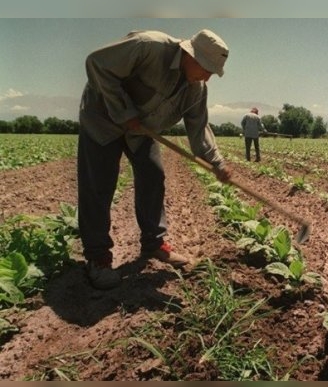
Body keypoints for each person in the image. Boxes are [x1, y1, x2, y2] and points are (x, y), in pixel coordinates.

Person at [78, 29, 232, 290]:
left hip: (141, 131)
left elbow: (198, 128)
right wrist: (124, 110)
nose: (207, 76)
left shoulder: (196, 88)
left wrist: (217, 163)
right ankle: (98, 257)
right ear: (189, 55)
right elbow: (96, 63)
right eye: (206, 68)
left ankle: (154, 243)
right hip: (102, 121)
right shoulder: (148, 46)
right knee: (99, 186)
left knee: (153, 176)